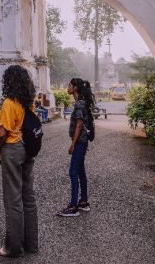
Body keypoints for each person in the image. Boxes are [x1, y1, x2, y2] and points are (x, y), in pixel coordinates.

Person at [0, 65, 38, 257]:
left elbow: (2, 133)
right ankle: (31, 244)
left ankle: (13, 248)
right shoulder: (28, 102)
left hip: (12, 149)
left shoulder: (8, 103)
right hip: (28, 148)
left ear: (8, 81)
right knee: (28, 197)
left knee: (13, 200)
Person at [57, 78, 94, 217]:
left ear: (75, 88)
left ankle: (73, 207)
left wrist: (73, 144)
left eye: (69, 85)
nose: (67, 87)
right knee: (80, 172)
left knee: (73, 171)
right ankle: (83, 202)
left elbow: (79, 125)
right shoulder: (82, 103)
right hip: (82, 142)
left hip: (79, 142)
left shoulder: (79, 104)